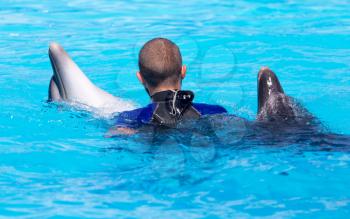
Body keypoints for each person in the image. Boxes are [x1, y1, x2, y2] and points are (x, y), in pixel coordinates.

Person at [110, 38, 227, 135]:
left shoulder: (129, 119)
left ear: (140, 78)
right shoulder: (216, 112)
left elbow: (113, 137)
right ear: (183, 72)